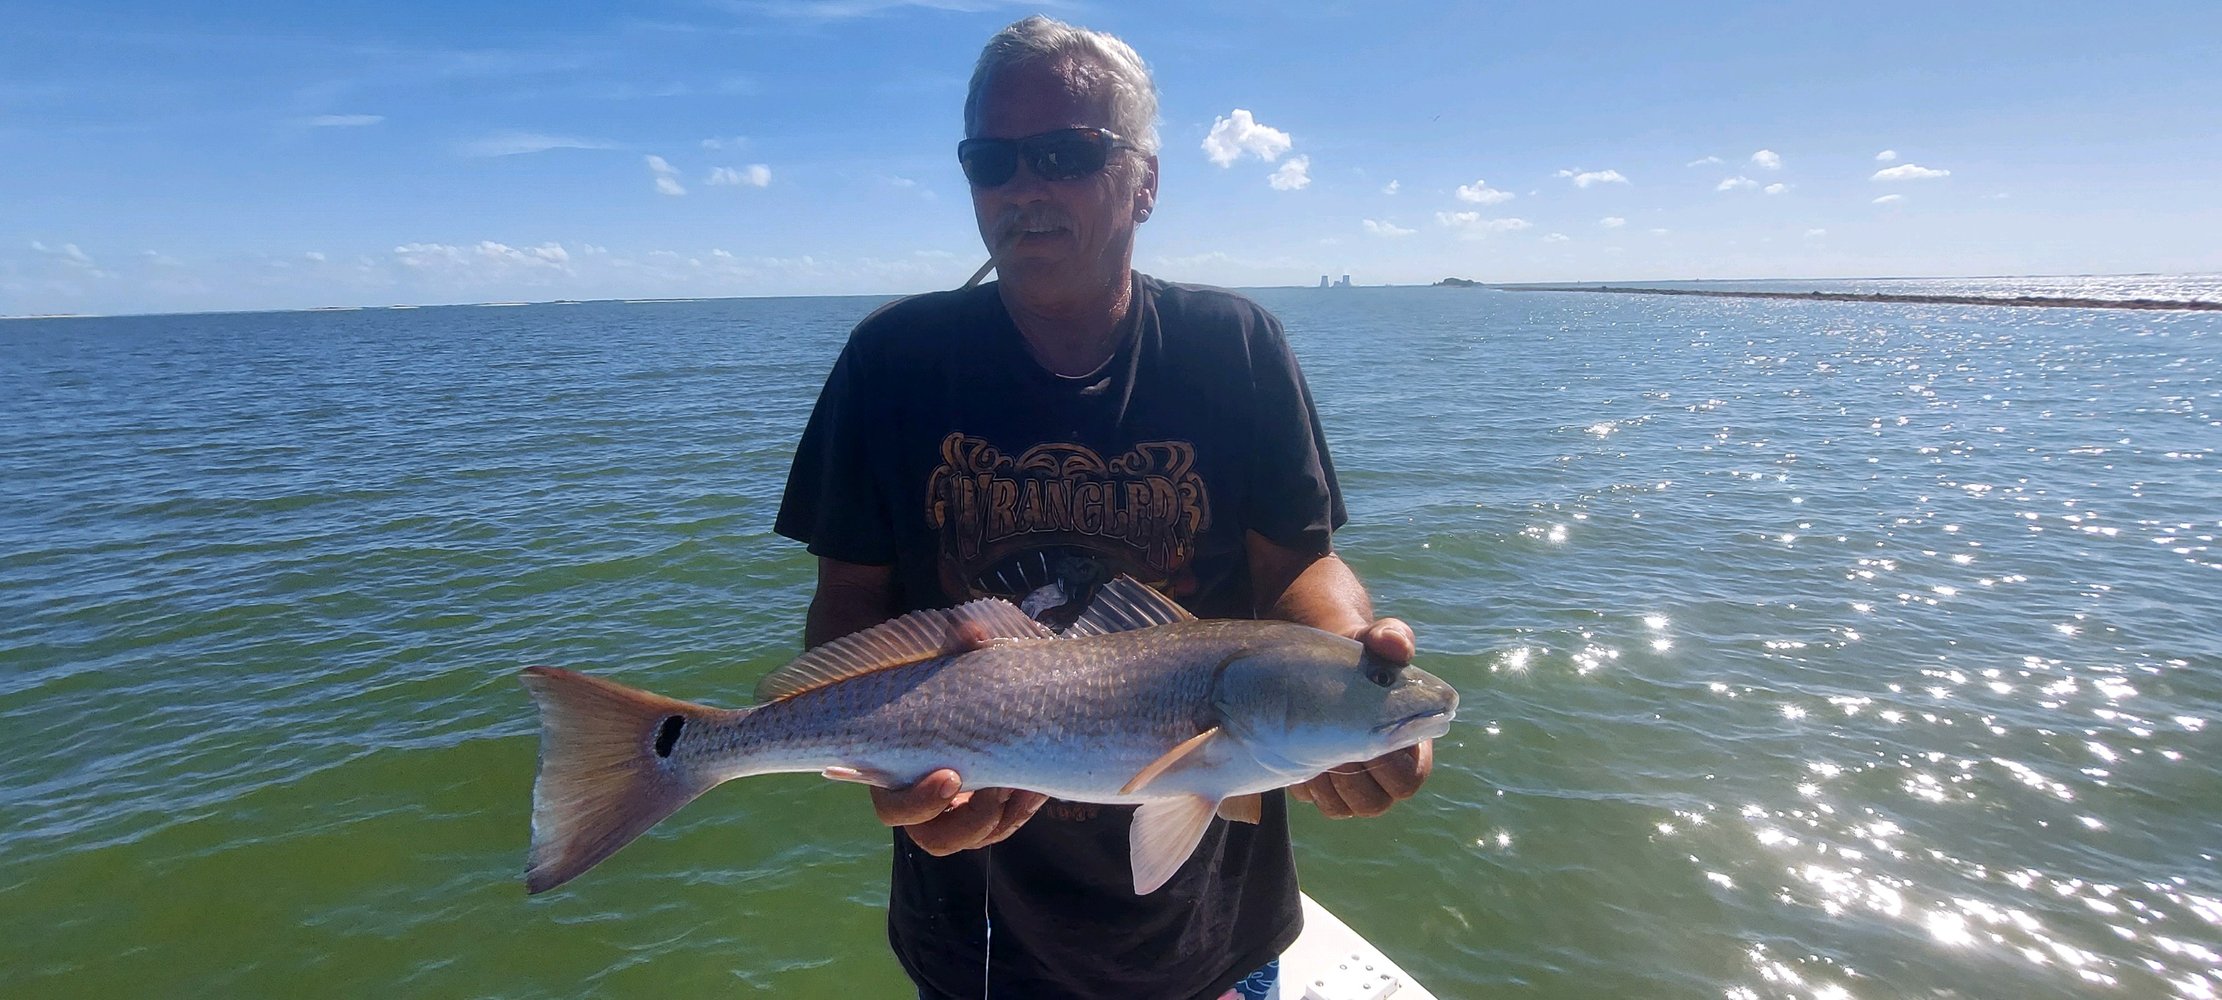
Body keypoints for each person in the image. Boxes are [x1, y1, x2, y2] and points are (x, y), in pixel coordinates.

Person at [774, 15, 1432, 1000]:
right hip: (975, 934)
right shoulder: (889, 362)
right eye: (990, 160)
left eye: (1066, 154)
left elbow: (1297, 563)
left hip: (1213, 926)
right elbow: (847, 604)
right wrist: (887, 777)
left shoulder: (1233, 346)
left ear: (1147, 182)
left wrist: (1347, 661)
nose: (1023, 187)